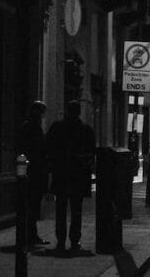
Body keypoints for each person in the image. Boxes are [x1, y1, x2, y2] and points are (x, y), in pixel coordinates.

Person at [46, 101, 95, 252]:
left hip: (61, 174)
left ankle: (61, 241)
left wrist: (56, 162)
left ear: (66, 111)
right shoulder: (86, 130)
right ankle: (74, 241)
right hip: (78, 176)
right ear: (79, 112)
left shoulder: (57, 127)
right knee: (76, 210)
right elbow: (91, 153)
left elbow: (48, 148)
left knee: (61, 209)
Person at [16, 100, 49, 246]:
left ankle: (29, 234)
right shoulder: (33, 128)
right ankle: (30, 235)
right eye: (41, 113)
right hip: (34, 172)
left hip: (31, 171)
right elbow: (36, 151)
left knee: (31, 205)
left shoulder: (29, 127)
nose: (42, 116)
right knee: (32, 205)